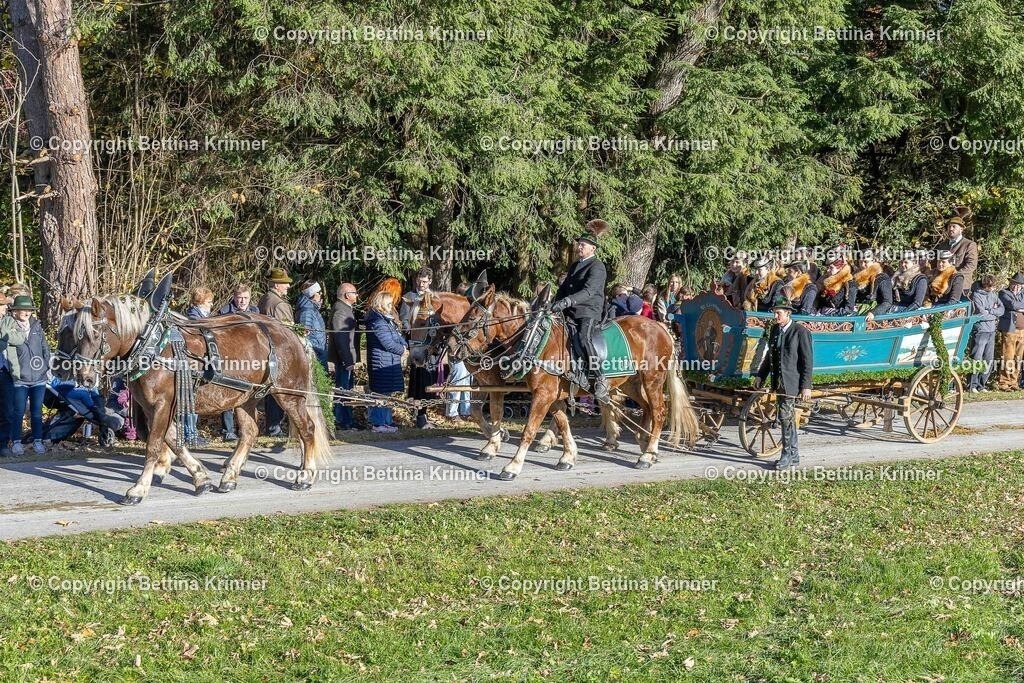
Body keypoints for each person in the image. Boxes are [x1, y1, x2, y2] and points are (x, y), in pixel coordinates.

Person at [550, 218, 610, 402]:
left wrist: (567, 301)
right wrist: (553, 303)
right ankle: (577, 372)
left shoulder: (597, 266)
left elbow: (590, 291)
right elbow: (564, 288)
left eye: (583, 244)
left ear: (593, 248)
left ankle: (600, 378)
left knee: (583, 338)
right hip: (571, 309)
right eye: (579, 244)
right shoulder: (575, 265)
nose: (579, 247)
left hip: (589, 310)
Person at [752, 296, 813, 470]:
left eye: (778, 313)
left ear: (787, 313)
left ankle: (786, 455)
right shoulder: (775, 331)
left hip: (791, 383)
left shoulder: (800, 332)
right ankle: (794, 455)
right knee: (787, 418)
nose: (775, 316)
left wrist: (806, 386)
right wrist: (760, 376)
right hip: (778, 383)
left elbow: (807, 361)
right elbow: (769, 358)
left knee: (785, 417)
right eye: (774, 313)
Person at [6, 295, 52, 454]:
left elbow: (45, 348)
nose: (26, 312)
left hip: (39, 378)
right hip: (20, 379)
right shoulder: (10, 327)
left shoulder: (37, 326)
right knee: (18, 411)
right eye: (22, 309)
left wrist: (46, 365)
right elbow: (9, 353)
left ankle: (38, 441)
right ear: (15, 311)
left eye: (29, 310)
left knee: (37, 412)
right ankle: (16, 442)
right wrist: (15, 372)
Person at [217, 284, 258, 441]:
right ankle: (228, 431)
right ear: (234, 297)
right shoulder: (224, 312)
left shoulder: (255, 312)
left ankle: (248, 428)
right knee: (228, 392)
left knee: (248, 394)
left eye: (245, 298)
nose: (242, 301)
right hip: (230, 357)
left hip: (250, 358)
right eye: (239, 298)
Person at [258, 267, 294, 436]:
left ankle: (273, 427)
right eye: (285, 284)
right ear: (277, 284)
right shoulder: (279, 304)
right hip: (278, 351)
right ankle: (274, 428)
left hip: (267, 349)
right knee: (277, 390)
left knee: (270, 390)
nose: (288, 287)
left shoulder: (265, 298)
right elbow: (286, 331)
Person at [365, 290, 407, 433]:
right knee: (380, 393)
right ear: (382, 304)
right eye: (389, 304)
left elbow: (398, 336)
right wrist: (402, 350)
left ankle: (387, 421)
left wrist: (404, 345)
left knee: (387, 394)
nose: (391, 306)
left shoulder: (386, 320)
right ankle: (378, 423)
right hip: (381, 361)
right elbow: (387, 343)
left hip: (389, 361)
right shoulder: (377, 322)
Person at [399, 267, 436, 429]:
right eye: (419, 281)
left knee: (430, 379)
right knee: (418, 380)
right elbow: (404, 319)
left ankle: (426, 412)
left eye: (424, 282)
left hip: (433, 345)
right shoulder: (409, 297)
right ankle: (419, 415)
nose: (421, 284)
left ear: (430, 282)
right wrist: (412, 329)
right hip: (417, 345)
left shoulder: (435, 297)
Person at [330, 282, 361, 431]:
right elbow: (341, 338)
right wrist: (347, 360)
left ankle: (348, 418)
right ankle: (342, 420)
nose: (357, 295)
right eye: (355, 293)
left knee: (347, 390)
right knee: (343, 390)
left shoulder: (346, 309)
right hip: (344, 359)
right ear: (347, 295)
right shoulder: (341, 311)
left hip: (347, 358)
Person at [969, 274, 1004, 392]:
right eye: (992, 287)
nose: (994, 289)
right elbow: (981, 313)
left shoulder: (993, 295)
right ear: (986, 286)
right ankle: (972, 384)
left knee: (988, 359)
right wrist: (992, 312)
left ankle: (981, 385)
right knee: (977, 357)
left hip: (991, 330)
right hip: (980, 330)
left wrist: (991, 311)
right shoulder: (976, 295)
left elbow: (1002, 309)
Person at [445, 282, 472, 422]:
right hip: (456, 351)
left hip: (468, 351)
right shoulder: (454, 312)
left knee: (468, 379)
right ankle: (452, 412)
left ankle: (466, 411)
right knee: (458, 378)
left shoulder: (470, 312)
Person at [0, 294, 22, 456]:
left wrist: (4, 333)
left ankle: (2, 444)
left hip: (6, 372)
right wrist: (5, 336)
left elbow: (20, 338)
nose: (5, 308)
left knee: (7, 410)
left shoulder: (8, 321)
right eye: (2, 306)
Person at [995, 272, 1024, 391]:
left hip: (1022, 330)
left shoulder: (1022, 294)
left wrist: (1018, 306)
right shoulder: (1003, 293)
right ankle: (1004, 382)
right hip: (1009, 329)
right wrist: (1019, 307)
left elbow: (1016, 305)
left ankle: (1014, 381)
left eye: (1019, 285)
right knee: (1008, 356)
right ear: (1010, 283)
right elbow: (1012, 304)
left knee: (1018, 357)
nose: (1016, 286)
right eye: (1014, 284)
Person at [937, 206, 978, 288]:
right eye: (949, 226)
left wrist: (955, 274)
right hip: (943, 285)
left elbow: (971, 265)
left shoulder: (969, 244)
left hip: (961, 286)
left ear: (961, 229)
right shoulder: (942, 245)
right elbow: (937, 264)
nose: (951, 229)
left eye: (954, 226)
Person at [296, 280, 328, 368]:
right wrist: (318, 350)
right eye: (319, 292)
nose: (321, 294)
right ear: (312, 294)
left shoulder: (312, 309)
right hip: (316, 354)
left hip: (319, 351)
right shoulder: (307, 311)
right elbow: (304, 336)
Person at [855, 250, 893, 318]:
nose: (863, 265)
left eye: (866, 262)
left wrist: (874, 313)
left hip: (874, 315)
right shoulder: (856, 276)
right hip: (857, 311)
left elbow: (887, 302)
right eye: (860, 262)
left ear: (873, 261)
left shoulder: (882, 278)